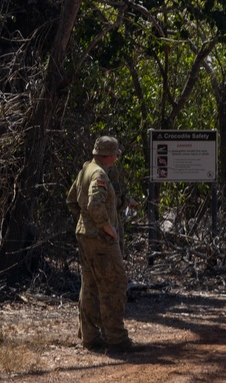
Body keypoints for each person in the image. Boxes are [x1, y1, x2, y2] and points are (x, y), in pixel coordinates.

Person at [66, 135, 134, 352]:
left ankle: (90, 336)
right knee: (114, 283)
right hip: (101, 240)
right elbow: (95, 204)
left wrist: (122, 204)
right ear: (110, 155)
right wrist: (107, 228)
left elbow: (72, 201)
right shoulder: (98, 174)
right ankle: (116, 338)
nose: (116, 158)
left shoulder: (86, 169)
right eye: (115, 154)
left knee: (91, 284)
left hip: (85, 236)